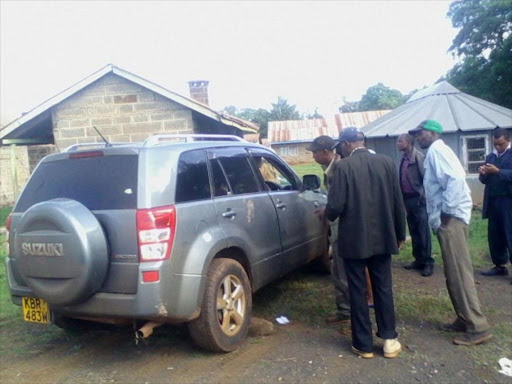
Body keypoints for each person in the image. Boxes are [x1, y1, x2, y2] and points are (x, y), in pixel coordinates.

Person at [409, 120, 492, 346]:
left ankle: (478, 327)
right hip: (449, 219)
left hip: (451, 220)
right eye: (416, 134)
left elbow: (455, 180)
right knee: (452, 272)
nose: (418, 137)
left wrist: (446, 213)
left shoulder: (438, 151)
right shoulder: (435, 152)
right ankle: (464, 318)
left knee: (459, 272)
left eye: (421, 133)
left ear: (433, 133)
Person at [326, 127, 406, 359]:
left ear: (348, 144)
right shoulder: (387, 163)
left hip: (354, 240)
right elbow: (397, 201)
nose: (340, 149)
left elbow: (336, 205)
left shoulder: (343, 167)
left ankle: (363, 344)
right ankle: (390, 340)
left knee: (358, 290)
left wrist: (328, 214)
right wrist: (399, 233)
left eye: (341, 145)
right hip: (383, 237)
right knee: (382, 287)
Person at [307, 136, 351, 329]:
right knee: (339, 270)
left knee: (342, 271)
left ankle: (347, 312)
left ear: (325, 152)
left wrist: (328, 211)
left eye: (314, 152)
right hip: (339, 227)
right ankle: (346, 310)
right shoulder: (332, 167)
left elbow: (341, 200)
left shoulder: (338, 169)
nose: (313, 156)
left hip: (343, 228)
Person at [396, 134, 434, 277]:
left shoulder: (418, 157)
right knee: (413, 231)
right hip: (408, 200)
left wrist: (423, 198)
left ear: (409, 143)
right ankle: (418, 260)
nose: (398, 144)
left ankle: (428, 263)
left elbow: (426, 179)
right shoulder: (404, 158)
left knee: (423, 232)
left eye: (400, 141)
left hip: (419, 200)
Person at [479, 127, 512, 282]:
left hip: (508, 201)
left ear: (508, 140)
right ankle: (500, 266)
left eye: (501, 144)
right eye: (495, 144)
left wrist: (498, 171)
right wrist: (483, 173)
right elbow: (484, 181)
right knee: (495, 234)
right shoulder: (490, 157)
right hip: (493, 201)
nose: (498, 147)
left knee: (509, 233)